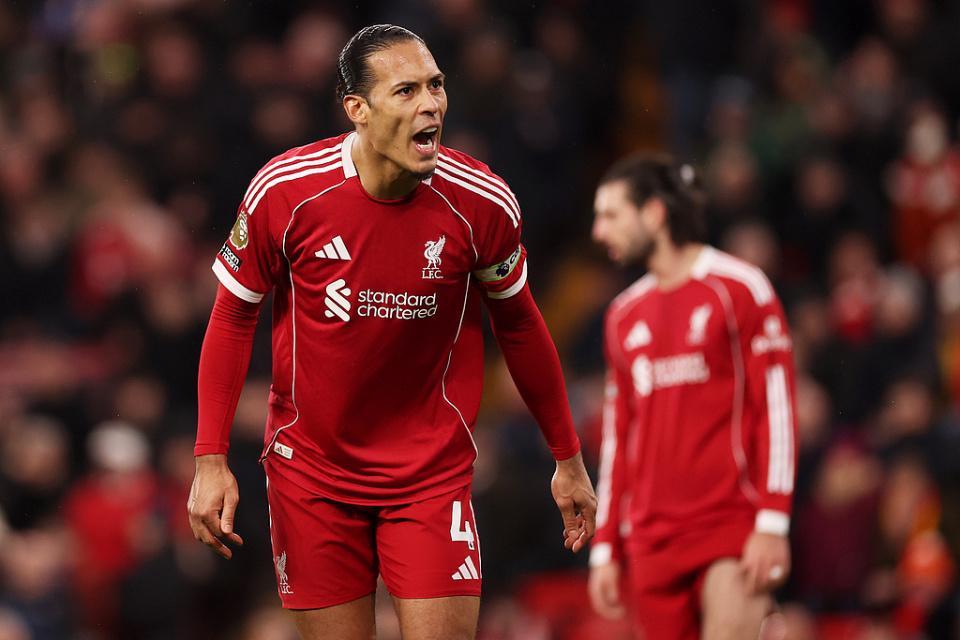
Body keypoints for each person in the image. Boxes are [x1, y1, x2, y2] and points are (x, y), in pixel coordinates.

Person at [186, 24, 597, 640]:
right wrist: (210, 460)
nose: (431, 104)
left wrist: (567, 457)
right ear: (357, 109)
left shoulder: (481, 202)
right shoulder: (287, 191)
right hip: (312, 473)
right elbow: (232, 314)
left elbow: (519, 322)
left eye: (436, 86)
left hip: (429, 474)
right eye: (406, 91)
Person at [587, 153, 797, 639]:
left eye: (611, 215)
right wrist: (606, 547)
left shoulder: (740, 288)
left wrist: (773, 521)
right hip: (649, 541)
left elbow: (777, 411)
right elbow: (619, 440)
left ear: (654, 214)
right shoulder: (622, 315)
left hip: (728, 525)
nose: (599, 231)